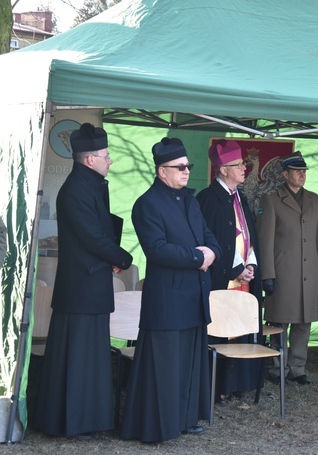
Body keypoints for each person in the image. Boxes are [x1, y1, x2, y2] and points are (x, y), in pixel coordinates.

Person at [32, 123, 133, 439]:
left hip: (88, 285)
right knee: (77, 358)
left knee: (86, 356)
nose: (110, 160)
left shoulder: (89, 185)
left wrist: (112, 258)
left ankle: (84, 420)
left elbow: (99, 234)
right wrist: (122, 258)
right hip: (81, 289)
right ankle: (72, 422)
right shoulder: (77, 189)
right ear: (90, 159)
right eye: (106, 155)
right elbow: (93, 238)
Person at [121, 137, 220, 443]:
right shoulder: (147, 204)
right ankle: (158, 427)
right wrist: (197, 257)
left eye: (187, 165)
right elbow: (157, 249)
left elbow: (208, 236)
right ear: (162, 171)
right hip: (167, 299)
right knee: (165, 367)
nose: (186, 171)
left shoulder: (190, 201)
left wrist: (212, 253)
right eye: (180, 167)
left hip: (194, 296)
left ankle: (185, 419)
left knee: (189, 364)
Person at [196, 139, 262, 401]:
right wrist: (235, 269)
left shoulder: (241, 197)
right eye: (238, 165)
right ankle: (217, 386)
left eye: (244, 164)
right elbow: (211, 241)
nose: (244, 168)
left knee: (241, 329)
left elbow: (248, 236)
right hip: (221, 279)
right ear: (222, 169)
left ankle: (236, 385)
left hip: (243, 276)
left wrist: (251, 264)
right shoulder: (207, 200)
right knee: (220, 330)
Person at [257, 151, 318, 385]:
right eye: (297, 171)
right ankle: (279, 366)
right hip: (283, 271)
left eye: (304, 171)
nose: (302, 174)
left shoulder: (314, 199)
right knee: (280, 322)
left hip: (309, 272)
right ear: (285, 174)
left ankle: (298, 367)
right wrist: (267, 274)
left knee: (304, 322)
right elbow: (265, 239)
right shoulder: (271, 199)